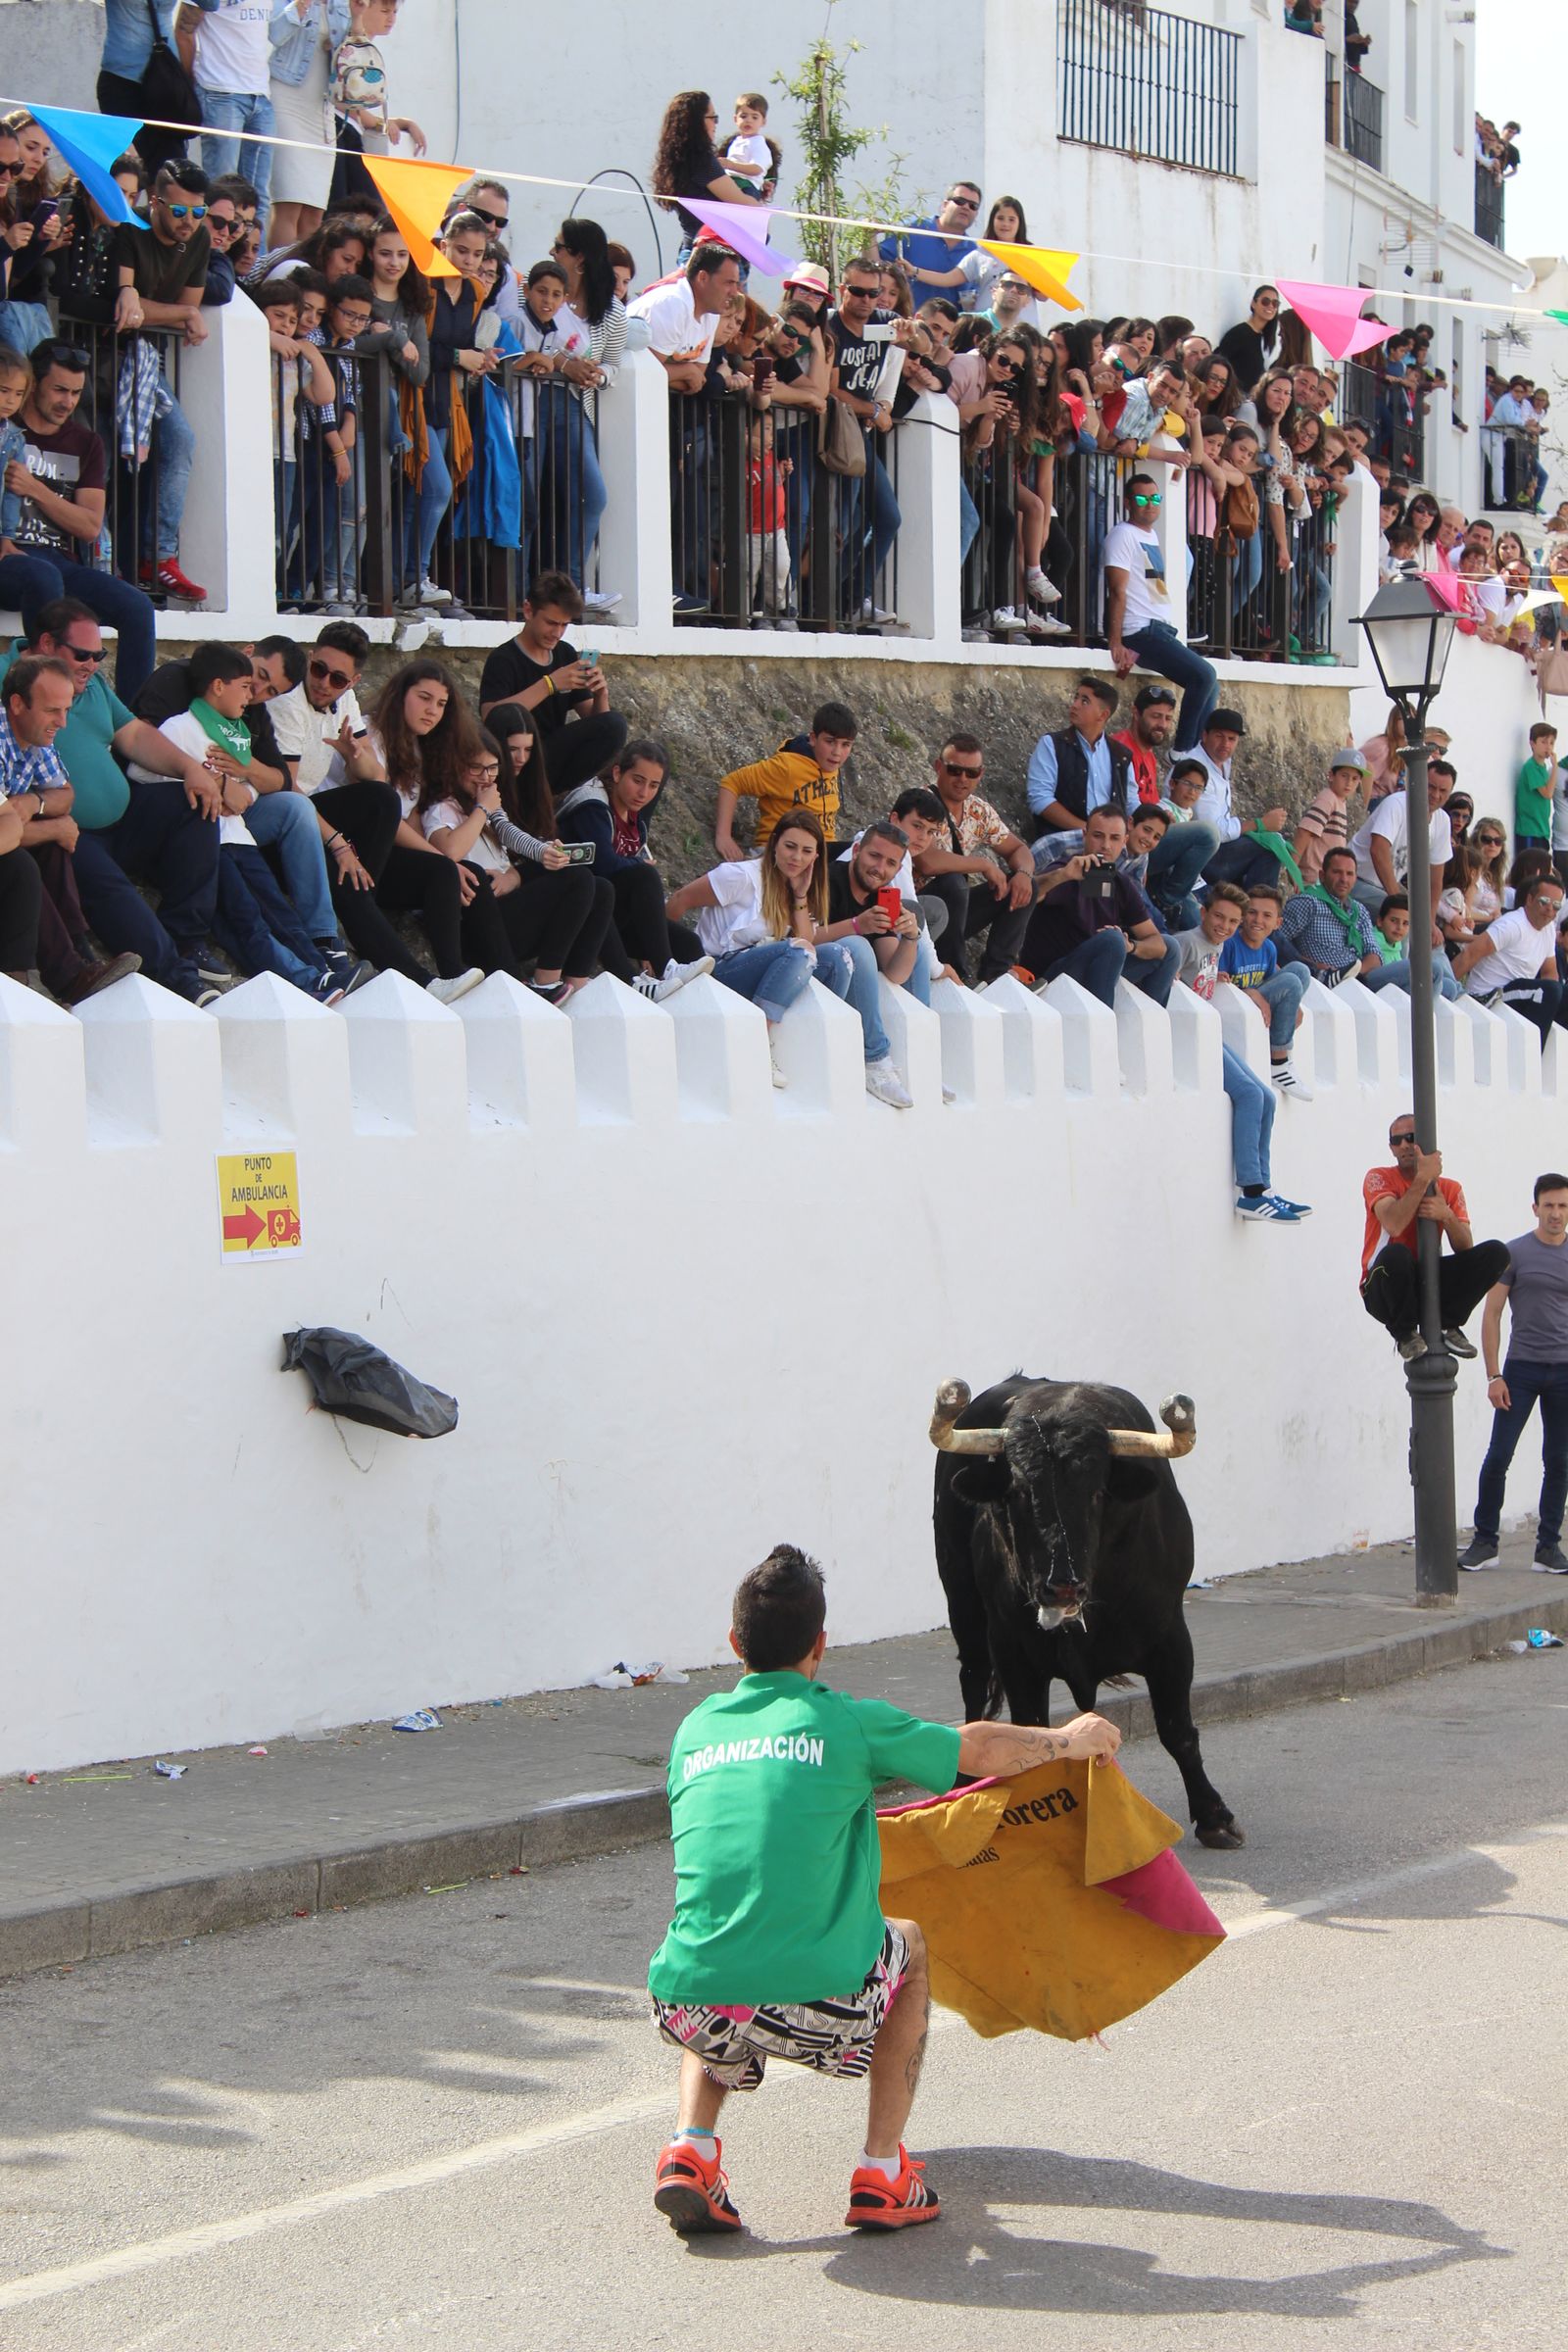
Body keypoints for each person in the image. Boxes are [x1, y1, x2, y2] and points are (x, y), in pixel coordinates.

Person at [648, 1543, 1123, 2237]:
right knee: (910, 1945)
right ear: (820, 1645)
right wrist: (1068, 1739)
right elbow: (976, 1751)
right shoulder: (844, 1720)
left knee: (725, 1943)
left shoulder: (695, 1730)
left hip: (683, 2000)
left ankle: (691, 2149)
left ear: (734, 1644)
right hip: (819, 2003)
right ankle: (882, 2172)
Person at [1, 599, 224, 1004]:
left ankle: (188, 939)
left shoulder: (91, 686)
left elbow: (134, 735)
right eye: (82, 654)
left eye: (98, 655)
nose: (92, 664)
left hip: (100, 819)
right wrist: (46, 815)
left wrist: (190, 767)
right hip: (62, 833)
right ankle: (176, 979)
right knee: (77, 865)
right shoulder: (14, 685)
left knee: (193, 805)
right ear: (47, 644)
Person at [268, 624, 482, 1003]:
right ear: (310, 658)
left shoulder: (345, 703)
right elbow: (289, 792)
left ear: (353, 682)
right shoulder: (289, 706)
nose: (324, 683)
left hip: (333, 831)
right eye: (319, 669)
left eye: (338, 679)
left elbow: (375, 776)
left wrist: (355, 758)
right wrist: (338, 844)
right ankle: (420, 980)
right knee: (379, 806)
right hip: (291, 827)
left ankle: (452, 974)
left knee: (441, 870)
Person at [137, 639, 353, 1002]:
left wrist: (244, 785)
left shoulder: (242, 721)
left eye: (271, 691)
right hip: (200, 837)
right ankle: (301, 979)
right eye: (256, 679)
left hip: (238, 833)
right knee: (245, 915)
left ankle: (322, 967)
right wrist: (209, 782)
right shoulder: (178, 708)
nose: (256, 693)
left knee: (277, 906)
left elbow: (277, 779)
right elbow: (142, 767)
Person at [666, 808, 913, 1106]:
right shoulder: (741, 876)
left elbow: (808, 938)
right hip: (721, 969)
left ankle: (817, 1051)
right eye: (790, 847)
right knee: (802, 951)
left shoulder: (803, 887)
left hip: (764, 969)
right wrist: (661, 961)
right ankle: (757, 1042)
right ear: (775, 844)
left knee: (838, 956)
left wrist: (799, 896)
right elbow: (679, 901)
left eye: (806, 851)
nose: (797, 857)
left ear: (816, 856)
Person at [0, 340, 158, 699]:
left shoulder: (86, 443)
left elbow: (89, 526)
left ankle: (134, 719)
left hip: (57, 561)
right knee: (43, 575)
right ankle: (44, 694)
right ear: (34, 384)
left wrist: (35, 488)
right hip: (10, 556)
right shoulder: (7, 429)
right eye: (59, 390)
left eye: (75, 393)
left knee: (137, 607)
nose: (68, 402)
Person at [418, 723, 612, 1003]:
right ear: (455, 766)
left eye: (492, 768)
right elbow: (450, 851)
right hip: (476, 922)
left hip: (507, 908)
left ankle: (576, 979)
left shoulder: (488, 807)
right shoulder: (442, 807)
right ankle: (545, 980)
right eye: (476, 768)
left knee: (601, 888)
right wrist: (482, 809)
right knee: (577, 881)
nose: (485, 778)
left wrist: (543, 851)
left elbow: (511, 834)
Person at [0, 655, 140, 1002]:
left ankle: (78, 954)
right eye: (52, 711)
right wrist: (54, 827)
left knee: (52, 845)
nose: (62, 723)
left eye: (65, 710)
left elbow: (65, 795)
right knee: (25, 861)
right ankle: (59, 976)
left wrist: (35, 803)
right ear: (17, 704)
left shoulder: (34, 736)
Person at [1173, 885, 1311, 1223]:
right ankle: (1250, 1191)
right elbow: (1167, 979)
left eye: (1233, 921)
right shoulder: (1185, 943)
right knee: (1250, 1094)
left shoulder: (1218, 946)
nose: (1225, 926)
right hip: (1190, 1038)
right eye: (1219, 917)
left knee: (1267, 1096)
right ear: (1203, 913)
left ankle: (1265, 1189)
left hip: (1211, 1034)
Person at [111, 157, 211, 602]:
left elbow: (185, 309)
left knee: (181, 440)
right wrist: (179, 312)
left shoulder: (200, 238)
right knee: (107, 455)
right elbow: (127, 307)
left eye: (198, 211)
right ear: (155, 202)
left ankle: (160, 556)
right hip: (107, 355)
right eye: (179, 211)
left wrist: (174, 311)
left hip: (149, 360)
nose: (190, 221)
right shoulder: (129, 229)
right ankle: (102, 558)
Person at [1460, 1173, 1568, 1574]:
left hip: (1565, 1372)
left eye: (1562, 1206)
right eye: (1549, 1205)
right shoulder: (1514, 1253)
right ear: (1535, 1208)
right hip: (1520, 1370)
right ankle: (1485, 1542)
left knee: (1559, 1462)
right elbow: (1492, 1314)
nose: (1555, 1213)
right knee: (1498, 1456)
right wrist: (1494, 1376)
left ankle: (1548, 1548)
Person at [554, 733, 712, 999]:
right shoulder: (592, 804)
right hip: (576, 909)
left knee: (688, 943)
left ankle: (691, 1005)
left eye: (653, 786)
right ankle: (651, 974)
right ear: (617, 773)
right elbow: (604, 864)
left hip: (612, 913)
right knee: (642, 875)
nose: (644, 793)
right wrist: (637, 863)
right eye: (638, 781)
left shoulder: (634, 817)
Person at [1360, 1120, 1510, 1362]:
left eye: (1410, 1137)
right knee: (1397, 1254)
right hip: (1384, 1284)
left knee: (1496, 1253)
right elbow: (1394, 1224)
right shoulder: (1379, 1177)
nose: (1404, 1145)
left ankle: (1448, 1323)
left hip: (1426, 1278)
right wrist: (1422, 1179)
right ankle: (1405, 1334)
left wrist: (1446, 1215)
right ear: (1391, 1148)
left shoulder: (1450, 1188)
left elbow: (1465, 1247)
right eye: (1396, 1141)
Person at [476, 571, 629, 793]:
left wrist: (600, 694)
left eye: (564, 625)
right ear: (528, 610)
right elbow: (491, 717)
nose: (557, 633)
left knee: (615, 725)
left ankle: (560, 796)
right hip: (516, 761)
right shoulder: (503, 659)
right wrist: (549, 685)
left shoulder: (564, 653)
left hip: (554, 758)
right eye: (551, 623)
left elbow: (598, 723)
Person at [1020, 805, 1179, 1008]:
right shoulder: (1067, 869)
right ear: (1085, 835)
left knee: (1171, 948)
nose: (1106, 845)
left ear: (1124, 840)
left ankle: (1143, 1025)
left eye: (1114, 838)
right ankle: (1103, 1022)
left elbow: (1157, 944)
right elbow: (1030, 894)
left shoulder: (1122, 884)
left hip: (1097, 967)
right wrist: (1062, 876)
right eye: (1098, 836)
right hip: (1052, 975)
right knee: (1112, 940)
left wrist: (1131, 946)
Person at [1102, 473, 1218, 752]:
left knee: (1210, 684)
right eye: (1142, 499)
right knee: (1204, 676)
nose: (1150, 504)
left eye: (1155, 498)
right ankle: (1182, 752)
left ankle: (1198, 754)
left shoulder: (1150, 535)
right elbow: (1116, 590)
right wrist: (1115, 641)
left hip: (1159, 629)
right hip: (1140, 631)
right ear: (1128, 502)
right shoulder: (1122, 535)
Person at [913, 733, 1034, 984]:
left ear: (981, 774)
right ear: (938, 767)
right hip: (917, 911)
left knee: (1025, 885)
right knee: (953, 882)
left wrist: (1023, 874)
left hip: (955, 913)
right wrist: (983, 864)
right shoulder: (920, 802)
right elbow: (927, 861)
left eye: (971, 773)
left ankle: (997, 974)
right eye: (954, 770)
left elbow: (1018, 849)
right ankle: (957, 975)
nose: (962, 779)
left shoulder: (978, 811)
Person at [715, 702, 856, 858]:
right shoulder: (787, 767)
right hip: (781, 850)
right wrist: (723, 836)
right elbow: (732, 783)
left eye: (845, 745)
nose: (837, 752)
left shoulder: (830, 764)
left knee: (862, 851)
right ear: (813, 739)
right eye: (830, 742)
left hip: (820, 851)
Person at [266, 0, 353, 253]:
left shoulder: (341, 4)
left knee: (315, 213)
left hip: (322, 107)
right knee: (289, 203)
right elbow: (274, 35)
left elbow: (353, 52)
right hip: (287, 97)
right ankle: (280, 271)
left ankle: (304, 272)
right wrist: (300, 5)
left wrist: (357, 17)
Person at [1452, 870, 1566, 1045]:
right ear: (1530, 900)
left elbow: (1550, 972)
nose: (1550, 909)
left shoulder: (1549, 929)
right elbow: (1470, 954)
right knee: (1548, 991)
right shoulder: (1511, 925)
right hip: (1487, 996)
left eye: (1556, 905)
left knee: (1559, 992)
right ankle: (1534, 1053)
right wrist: (1446, 997)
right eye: (1544, 901)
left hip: (1519, 995)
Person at [1217, 883, 1310, 1094]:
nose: (1258, 920)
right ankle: (1279, 1062)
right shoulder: (1230, 944)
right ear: (1242, 916)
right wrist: (1250, 992)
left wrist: (1293, 1001)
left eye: (1267, 915)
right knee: (1291, 982)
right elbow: (1221, 985)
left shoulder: (1269, 948)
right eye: (1252, 913)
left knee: (1301, 971)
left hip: (1257, 1003)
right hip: (1238, 1002)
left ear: (1278, 923)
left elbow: (1271, 982)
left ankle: (1278, 1039)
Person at [650, 90, 760, 264]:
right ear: (696, 121)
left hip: (690, 250)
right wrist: (757, 198)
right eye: (712, 117)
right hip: (714, 258)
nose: (715, 124)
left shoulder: (678, 160)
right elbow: (744, 204)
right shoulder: (702, 162)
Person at [824, 819, 927, 1005]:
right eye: (874, 856)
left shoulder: (881, 896)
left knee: (917, 947)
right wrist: (857, 926)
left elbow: (895, 974)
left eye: (890, 863)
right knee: (858, 946)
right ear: (856, 851)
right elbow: (800, 937)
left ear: (898, 870)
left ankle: (921, 1023)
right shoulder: (826, 881)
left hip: (851, 986)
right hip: (816, 972)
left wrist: (911, 937)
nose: (880, 869)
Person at [191, 0, 276, 218]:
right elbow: (185, 28)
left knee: (259, 197)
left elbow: (274, 33)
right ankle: (215, 241)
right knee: (221, 193)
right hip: (220, 91)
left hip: (260, 95)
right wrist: (188, 82)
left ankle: (254, 242)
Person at [1027, 678, 1135, 835]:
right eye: (1076, 697)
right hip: (1065, 838)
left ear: (1103, 715)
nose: (1075, 705)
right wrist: (1089, 830)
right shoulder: (1052, 744)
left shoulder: (1121, 754)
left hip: (1112, 842)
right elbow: (1040, 799)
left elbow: (1131, 802)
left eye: (1085, 701)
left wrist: (1153, 818)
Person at [1276, 845, 1382, 986]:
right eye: (1337, 872)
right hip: (1321, 981)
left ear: (1355, 879)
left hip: (1360, 980)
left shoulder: (1359, 910)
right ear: (1322, 876)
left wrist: (1351, 974)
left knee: (1407, 971)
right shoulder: (1308, 903)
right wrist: (1313, 966)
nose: (1344, 879)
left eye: (1349, 874)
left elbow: (1375, 955)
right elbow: (1276, 941)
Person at [1292, 749, 1366, 885]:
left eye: (1355, 779)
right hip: (1314, 877)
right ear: (1331, 775)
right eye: (1344, 776)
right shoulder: (1328, 799)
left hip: (1326, 879)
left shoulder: (1340, 802)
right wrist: (1292, 868)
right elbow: (1305, 831)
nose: (1349, 783)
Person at [1516, 722, 1558, 858]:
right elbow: (1548, 793)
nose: (1548, 747)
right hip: (1529, 830)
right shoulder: (1531, 767)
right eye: (1543, 742)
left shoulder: (1542, 768)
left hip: (1541, 830)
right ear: (1532, 744)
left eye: (1551, 743)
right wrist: (1555, 768)